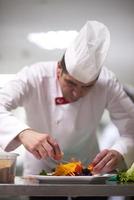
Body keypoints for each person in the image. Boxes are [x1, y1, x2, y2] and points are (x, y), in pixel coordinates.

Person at [0, 20, 134, 200]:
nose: (77, 92)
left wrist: (120, 151)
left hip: (90, 173)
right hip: (40, 174)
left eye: (87, 86)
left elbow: (131, 128)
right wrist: (23, 133)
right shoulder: (34, 76)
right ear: (58, 70)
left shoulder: (107, 82)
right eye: (71, 83)